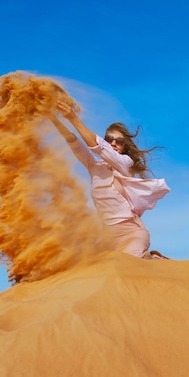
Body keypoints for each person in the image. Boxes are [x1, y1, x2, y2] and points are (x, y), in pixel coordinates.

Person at [51, 100, 170, 259]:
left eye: (119, 142)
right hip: (108, 240)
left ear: (123, 147)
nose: (113, 143)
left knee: (129, 265)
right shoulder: (94, 166)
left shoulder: (125, 164)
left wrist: (73, 118)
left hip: (132, 234)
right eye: (109, 139)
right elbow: (74, 142)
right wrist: (53, 118)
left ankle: (154, 260)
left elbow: (100, 148)